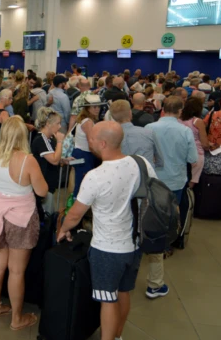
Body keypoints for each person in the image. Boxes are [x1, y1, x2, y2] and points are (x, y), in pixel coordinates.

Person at [57, 121, 154, 340]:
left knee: (107, 299)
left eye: (90, 138)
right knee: (123, 291)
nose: (88, 141)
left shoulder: (95, 176)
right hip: (135, 242)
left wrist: (63, 229)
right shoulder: (142, 163)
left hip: (107, 249)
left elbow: (75, 214)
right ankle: (118, 336)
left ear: (102, 143)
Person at [0, 115, 48, 332]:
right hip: (21, 219)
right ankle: (17, 319)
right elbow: (42, 191)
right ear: (23, 135)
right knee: (16, 271)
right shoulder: (27, 160)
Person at [146, 96, 198, 299]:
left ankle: (147, 240)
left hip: (153, 179)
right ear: (179, 111)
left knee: (150, 211)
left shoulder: (149, 127)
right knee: (170, 215)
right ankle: (164, 245)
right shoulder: (185, 131)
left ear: (162, 109)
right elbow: (192, 158)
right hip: (175, 180)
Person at [110, 100, 165, 169]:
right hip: (146, 176)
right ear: (130, 113)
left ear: (113, 116)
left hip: (123, 177)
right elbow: (160, 161)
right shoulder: (148, 133)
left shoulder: (110, 139)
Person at [31, 107, 65, 215]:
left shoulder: (49, 139)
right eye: (58, 123)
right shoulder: (41, 140)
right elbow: (54, 160)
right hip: (43, 184)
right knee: (46, 215)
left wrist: (63, 160)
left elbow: (54, 157)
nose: (60, 127)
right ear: (48, 124)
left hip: (49, 183)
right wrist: (60, 141)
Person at [71, 95, 102, 198]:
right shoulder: (88, 122)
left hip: (79, 153)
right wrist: (101, 156)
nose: (97, 109)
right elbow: (91, 143)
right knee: (82, 184)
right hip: (84, 155)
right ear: (87, 108)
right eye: (94, 107)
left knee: (79, 182)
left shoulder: (84, 119)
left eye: (98, 106)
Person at [180, 97, 212, 187]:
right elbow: (204, 143)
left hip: (180, 153)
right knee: (191, 182)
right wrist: (210, 145)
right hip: (196, 154)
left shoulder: (179, 119)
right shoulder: (198, 121)